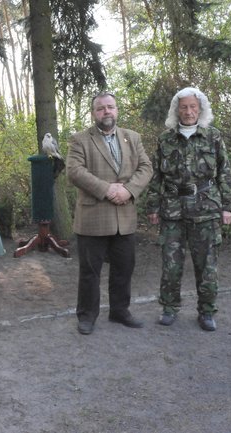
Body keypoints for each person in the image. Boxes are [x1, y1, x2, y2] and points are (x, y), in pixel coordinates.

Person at [146, 87, 231, 332]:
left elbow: (225, 173)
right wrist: (153, 206)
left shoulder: (213, 136)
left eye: (193, 107)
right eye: (184, 107)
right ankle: (169, 308)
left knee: (207, 265)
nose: (188, 111)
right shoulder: (165, 139)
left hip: (206, 208)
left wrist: (227, 207)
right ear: (177, 110)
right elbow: (156, 176)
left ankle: (207, 311)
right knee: (171, 264)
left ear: (200, 109)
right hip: (172, 210)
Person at [66, 91, 153, 335]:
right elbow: (74, 171)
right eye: (101, 108)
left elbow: (146, 167)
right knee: (90, 272)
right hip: (92, 218)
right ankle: (87, 316)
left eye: (110, 107)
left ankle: (119, 311)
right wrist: (107, 189)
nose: (106, 111)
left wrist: (128, 190)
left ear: (117, 110)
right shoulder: (80, 139)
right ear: (93, 113)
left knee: (124, 269)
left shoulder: (132, 137)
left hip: (125, 217)